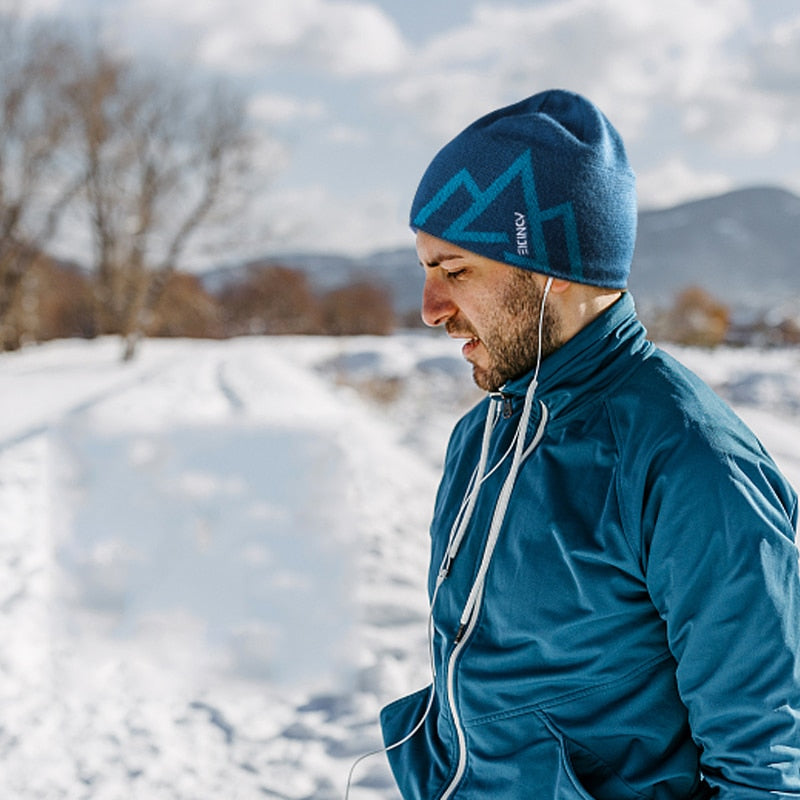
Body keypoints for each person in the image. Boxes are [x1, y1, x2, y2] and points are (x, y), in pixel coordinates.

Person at [378, 89, 800, 799]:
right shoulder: (483, 436)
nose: (430, 310)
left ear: (551, 271)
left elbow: (769, 764)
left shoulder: (691, 463)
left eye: (454, 271)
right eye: (425, 270)